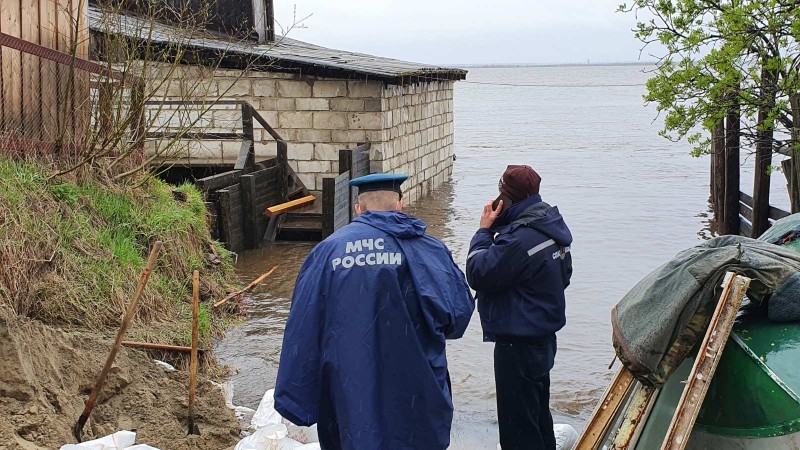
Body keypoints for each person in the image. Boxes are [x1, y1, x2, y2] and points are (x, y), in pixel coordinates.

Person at [274, 173, 475, 450]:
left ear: (359, 208)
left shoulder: (327, 252)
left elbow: (303, 326)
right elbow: (458, 317)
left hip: (349, 387)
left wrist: (296, 398)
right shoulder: (429, 249)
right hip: (415, 385)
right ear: (400, 204)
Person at [465, 165, 573, 450]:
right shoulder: (551, 226)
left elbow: (478, 273)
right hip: (543, 339)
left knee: (517, 430)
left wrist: (483, 230)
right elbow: (565, 277)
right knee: (537, 416)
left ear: (506, 197)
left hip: (517, 345)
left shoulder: (519, 241)